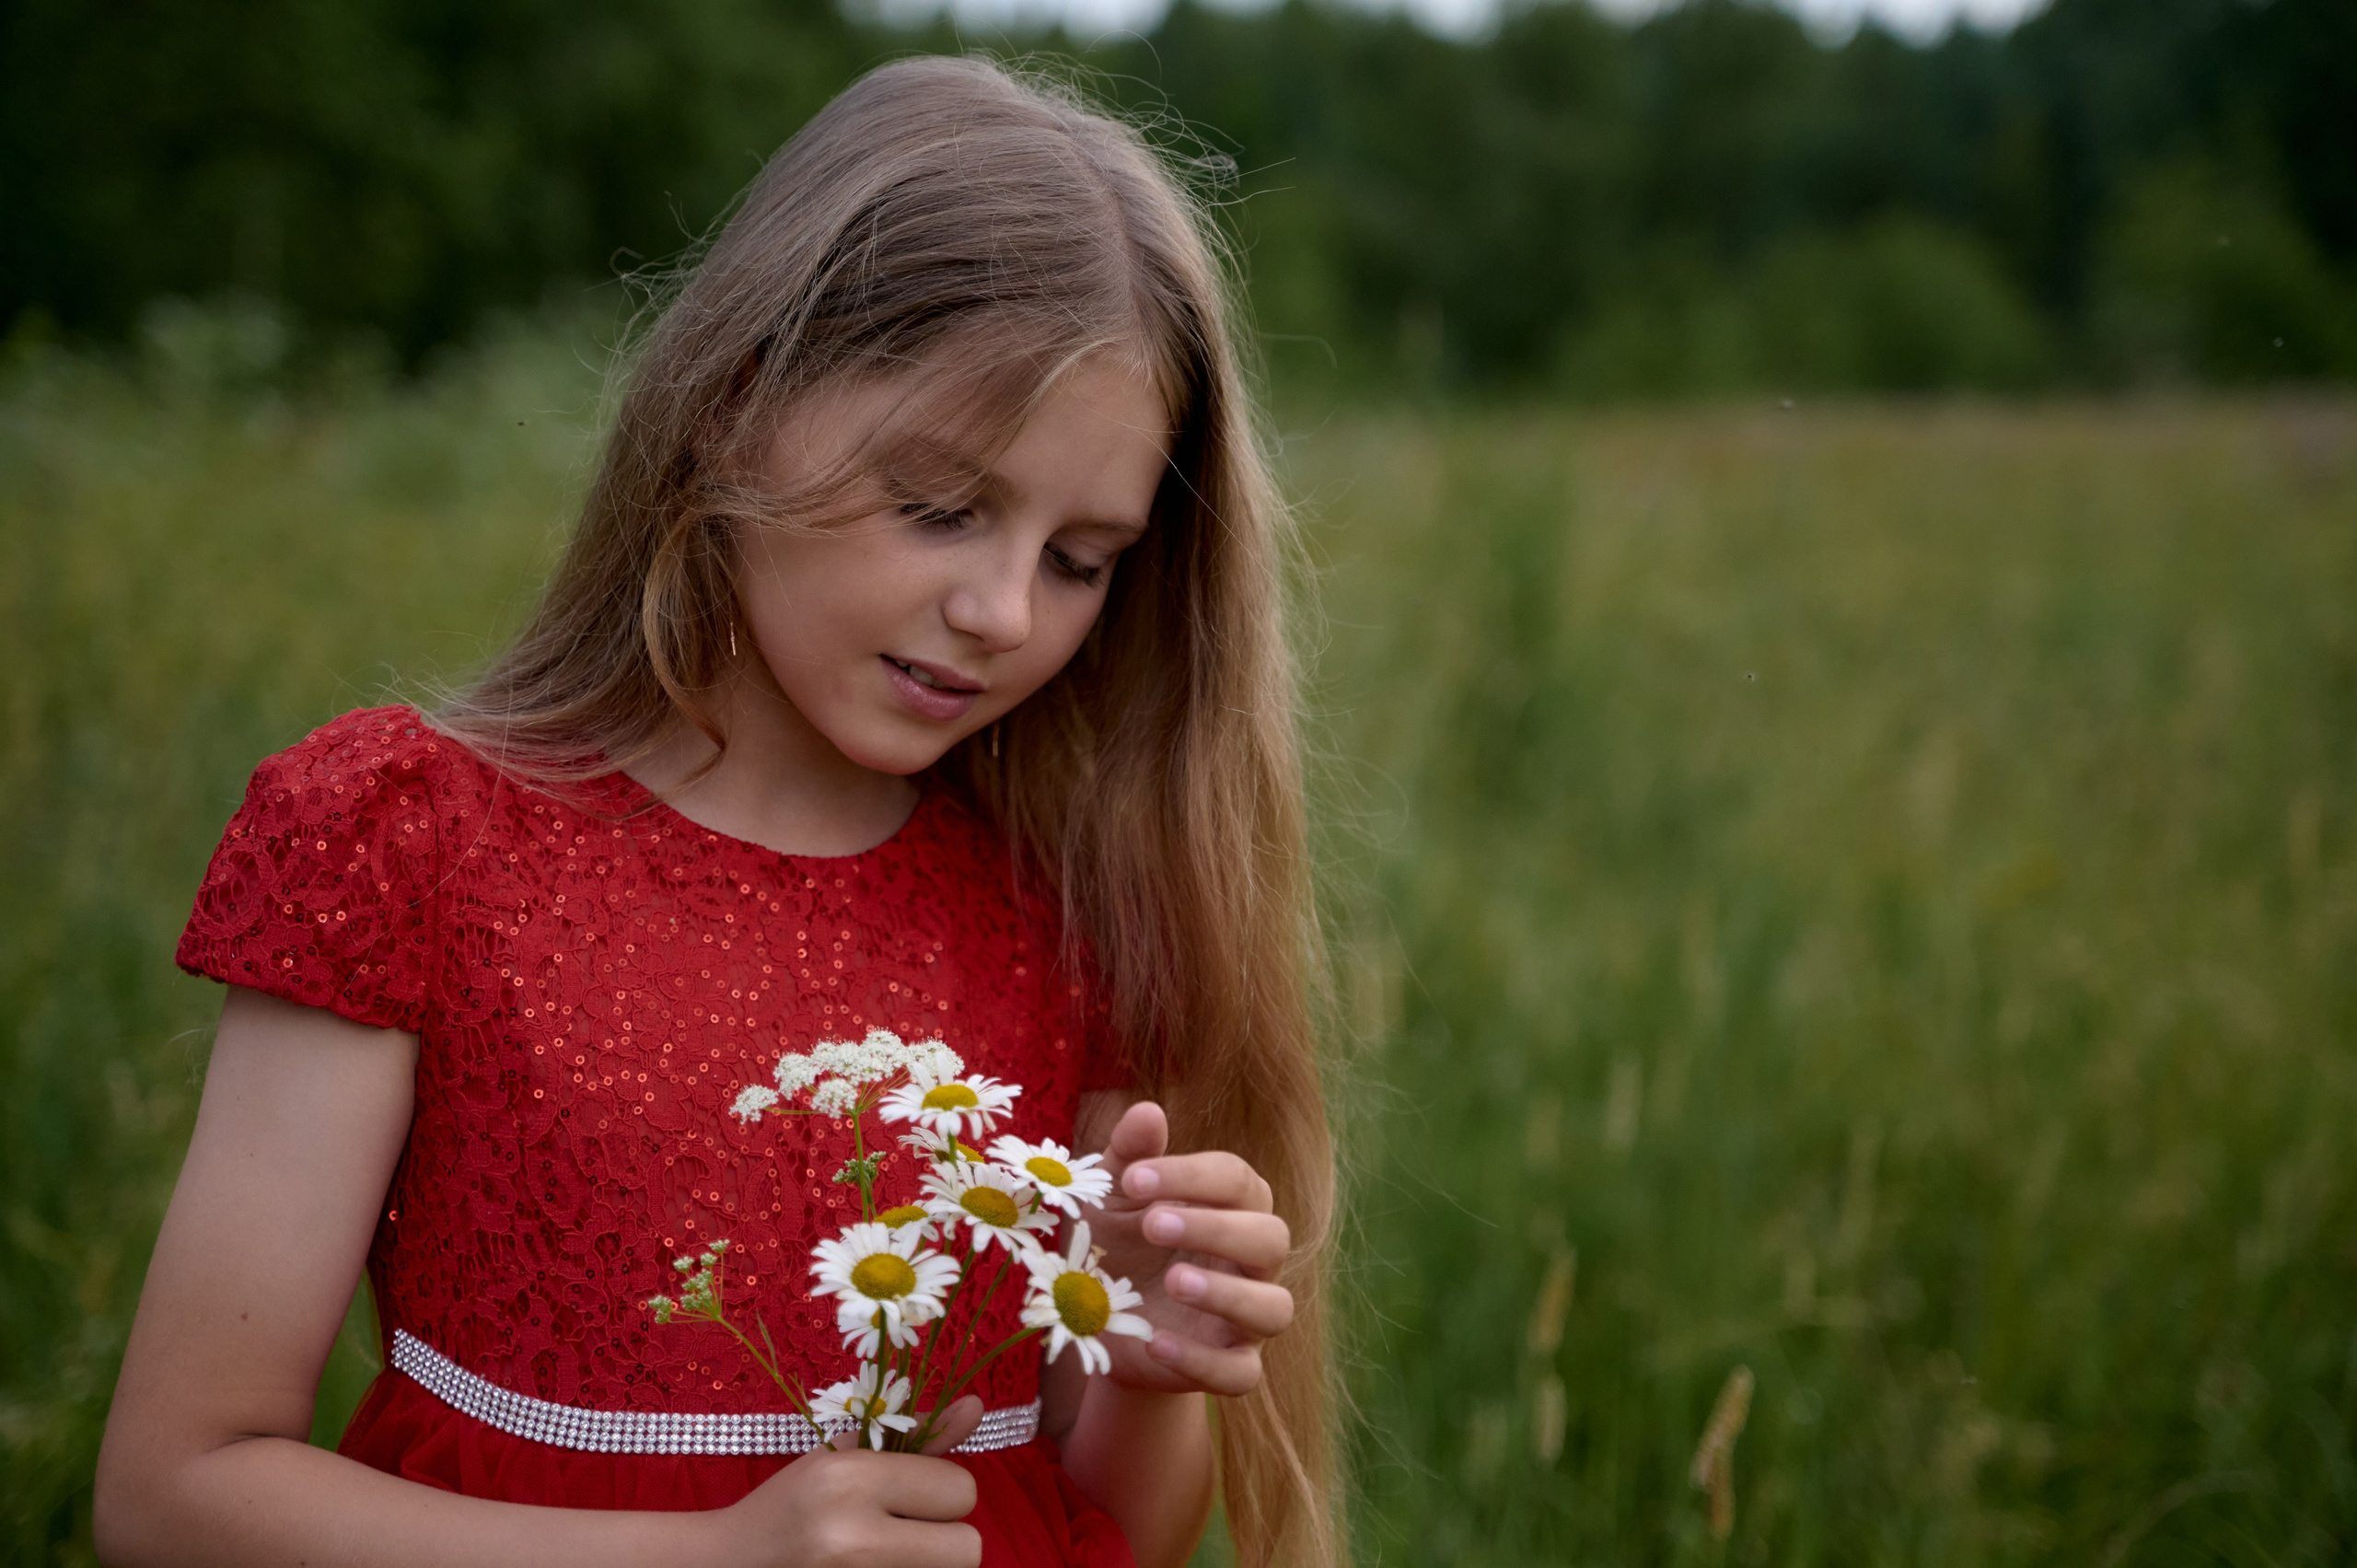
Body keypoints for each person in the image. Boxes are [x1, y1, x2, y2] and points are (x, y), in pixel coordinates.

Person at [93, 56, 1336, 1568]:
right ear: (735, 407)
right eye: (941, 505)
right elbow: (174, 1494)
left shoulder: (1067, 920)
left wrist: (1145, 1368)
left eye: (1081, 558)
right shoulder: (409, 839)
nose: (1005, 610)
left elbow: (1100, 1529)